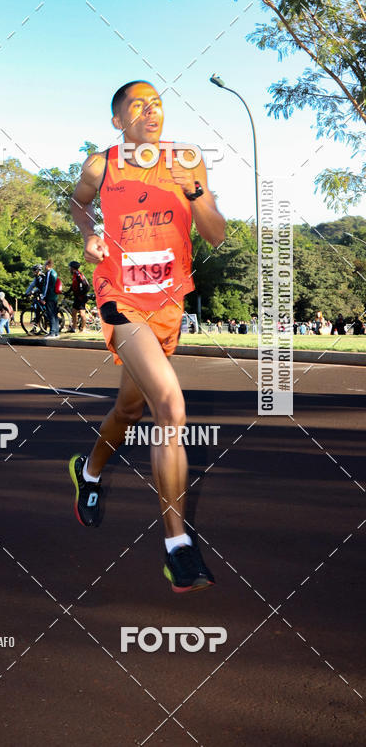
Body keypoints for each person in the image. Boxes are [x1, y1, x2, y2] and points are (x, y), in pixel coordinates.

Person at [69, 80, 226, 593]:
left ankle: (87, 473)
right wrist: (88, 234)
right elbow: (78, 204)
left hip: (167, 304)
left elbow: (216, 234)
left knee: (128, 410)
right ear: (119, 120)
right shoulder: (101, 164)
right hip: (120, 298)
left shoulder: (187, 160)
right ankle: (177, 549)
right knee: (170, 406)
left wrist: (195, 191)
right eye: (137, 105)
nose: (150, 111)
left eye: (156, 103)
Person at [66, 261, 90, 332]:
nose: (69, 268)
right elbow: (73, 286)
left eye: (70, 267)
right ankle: (74, 328)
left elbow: (86, 286)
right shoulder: (75, 275)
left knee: (82, 313)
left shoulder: (78, 275)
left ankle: (84, 328)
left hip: (81, 297)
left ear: (73, 268)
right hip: (77, 297)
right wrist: (68, 292)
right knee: (74, 312)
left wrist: (81, 295)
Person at [40, 259, 59, 338]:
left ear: (47, 266)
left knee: (50, 314)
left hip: (49, 296)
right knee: (55, 314)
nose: (44, 267)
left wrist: (43, 296)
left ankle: (52, 332)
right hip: (54, 296)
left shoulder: (49, 273)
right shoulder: (54, 272)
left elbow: (47, 286)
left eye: (45, 265)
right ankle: (56, 332)